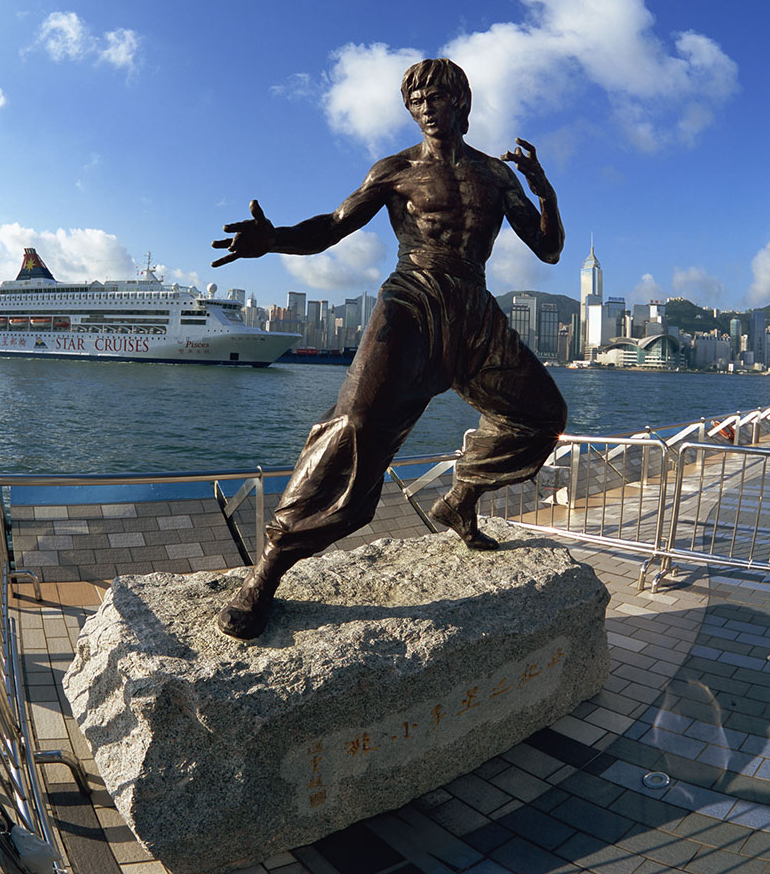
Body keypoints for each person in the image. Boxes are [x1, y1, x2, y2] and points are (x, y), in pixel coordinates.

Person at [210, 58, 568, 639]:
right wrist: (274, 239)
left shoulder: (496, 177)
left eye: (436, 97)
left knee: (541, 415)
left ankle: (460, 499)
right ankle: (267, 572)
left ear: (461, 103)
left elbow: (548, 250)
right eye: (416, 101)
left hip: (473, 309)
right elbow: (333, 225)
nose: (425, 108)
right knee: (353, 424)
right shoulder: (395, 170)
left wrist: (543, 190)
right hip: (411, 300)